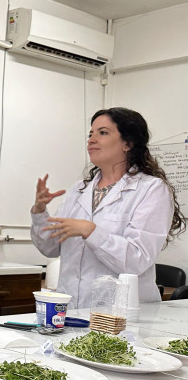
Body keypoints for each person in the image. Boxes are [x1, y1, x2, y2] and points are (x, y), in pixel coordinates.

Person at [31, 107, 185, 308]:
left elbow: (135, 261)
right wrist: (40, 212)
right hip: (72, 310)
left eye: (102, 133)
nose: (92, 139)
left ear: (127, 144)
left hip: (123, 314)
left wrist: (90, 231)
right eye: (90, 133)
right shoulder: (79, 190)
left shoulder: (152, 189)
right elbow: (50, 248)